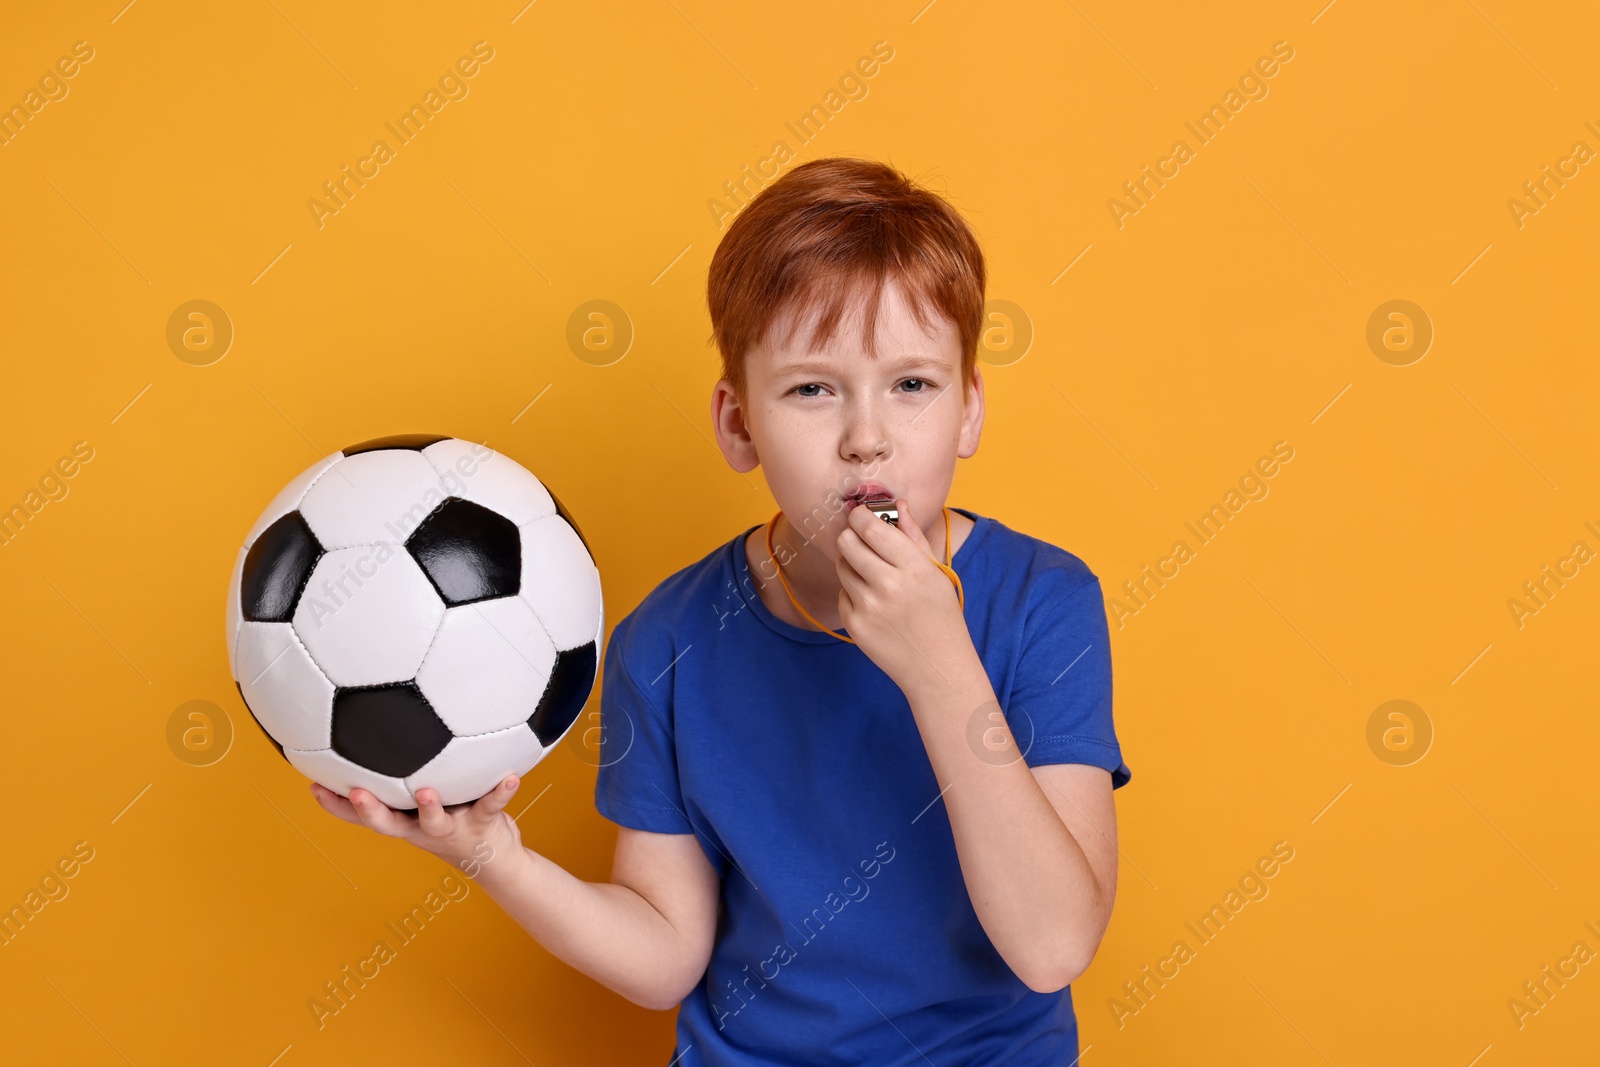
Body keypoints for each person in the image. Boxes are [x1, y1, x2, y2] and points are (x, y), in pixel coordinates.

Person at [311, 156, 1132, 1065]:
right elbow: (665, 952)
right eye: (812, 388)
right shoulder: (666, 641)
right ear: (738, 422)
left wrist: (940, 661)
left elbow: (1053, 945)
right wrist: (488, 853)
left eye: (913, 384)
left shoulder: (1044, 601)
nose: (868, 436)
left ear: (969, 411)